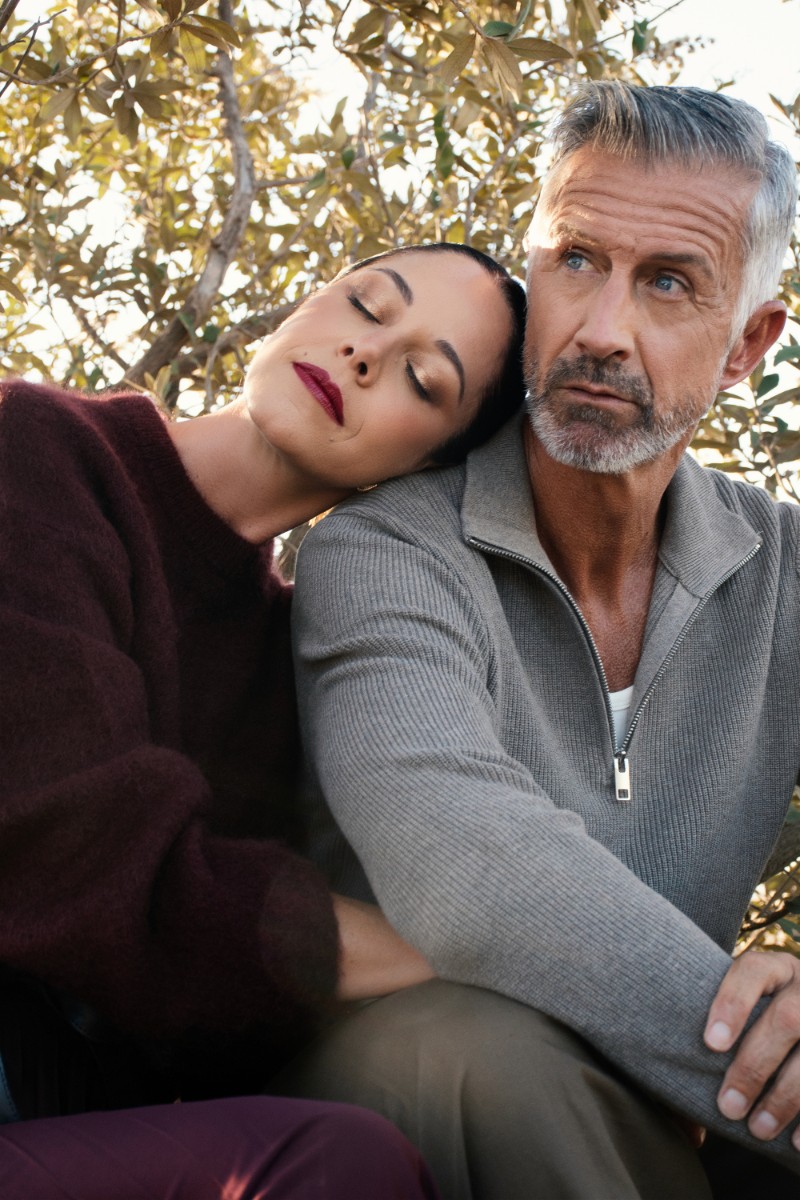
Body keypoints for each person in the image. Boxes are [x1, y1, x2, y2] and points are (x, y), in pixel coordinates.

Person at [287, 83, 800, 1198]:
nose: (600, 330)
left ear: (747, 344)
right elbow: (460, 861)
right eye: (575, 260)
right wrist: (765, 1067)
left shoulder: (785, 572)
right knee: (481, 1055)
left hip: (661, 1103)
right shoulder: (384, 550)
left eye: (668, 282)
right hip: (404, 1090)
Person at [0, 243, 526, 1188]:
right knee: (333, 1160)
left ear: (429, 466)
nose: (366, 354)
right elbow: (82, 858)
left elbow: (220, 1015)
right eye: (368, 304)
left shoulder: (299, 665)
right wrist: (479, 954)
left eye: (423, 378)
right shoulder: (36, 447)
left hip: (68, 1109)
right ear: (307, 303)